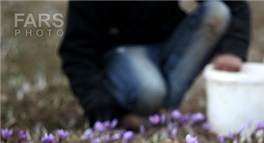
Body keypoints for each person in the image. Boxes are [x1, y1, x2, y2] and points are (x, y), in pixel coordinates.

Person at [58, 0, 251, 128]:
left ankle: (161, 112)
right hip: (122, 52)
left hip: (167, 43)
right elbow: (77, 49)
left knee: (217, 11)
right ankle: (137, 110)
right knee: (150, 90)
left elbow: (234, 4)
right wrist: (100, 107)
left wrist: (233, 49)